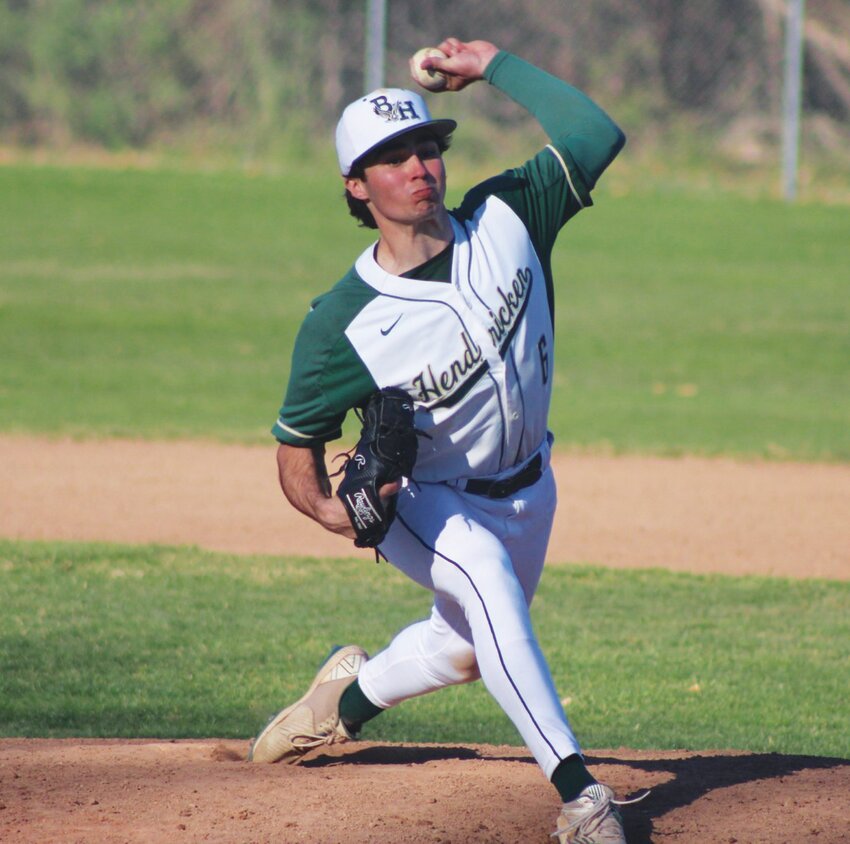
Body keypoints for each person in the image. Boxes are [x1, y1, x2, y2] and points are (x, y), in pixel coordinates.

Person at [252, 37, 633, 843]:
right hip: (431, 501)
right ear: (356, 186)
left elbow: (596, 137)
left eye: (427, 147)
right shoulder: (342, 323)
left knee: (464, 648)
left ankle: (340, 704)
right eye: (392, 158)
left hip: (532, 487)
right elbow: (297, 447)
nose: (419, 165)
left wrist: (495, 64)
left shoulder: (510, 216)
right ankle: (581, 799)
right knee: (488, 588)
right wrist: (333, 514)